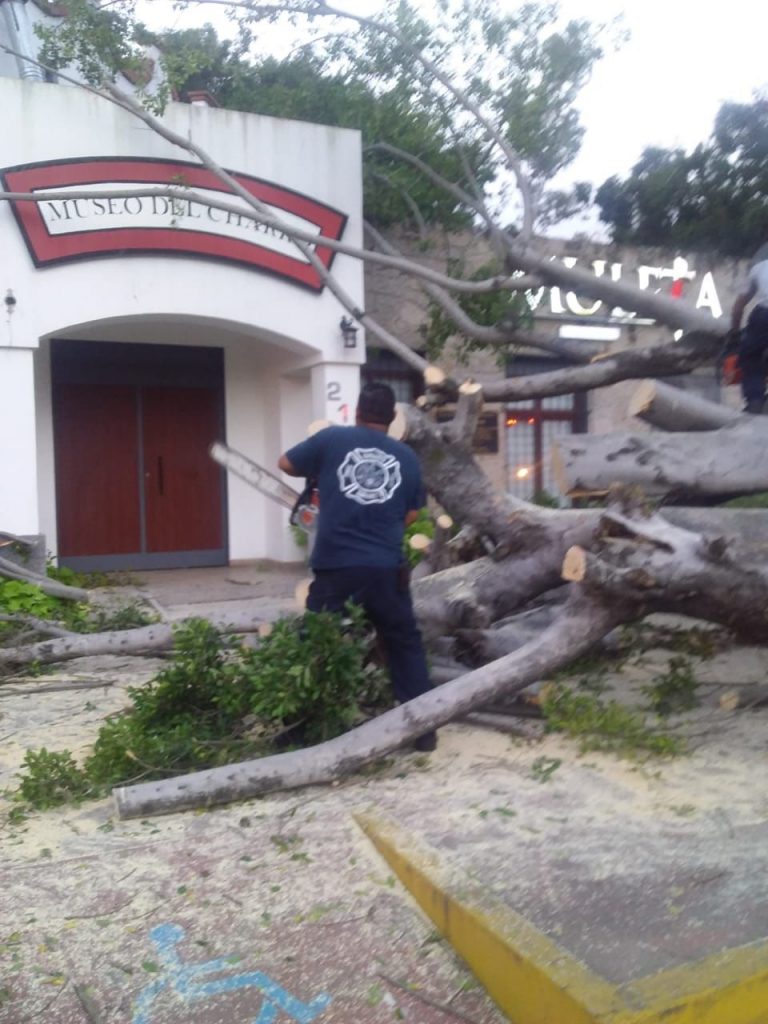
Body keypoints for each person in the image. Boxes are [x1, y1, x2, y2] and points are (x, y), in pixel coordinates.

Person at [278, 382, 437, 751]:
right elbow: (412, 515)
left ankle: (299, 728)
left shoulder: (331, 439)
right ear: (392, 418)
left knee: (315, 642)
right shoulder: (407, 457)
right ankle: (424, 731)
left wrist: (319, 473)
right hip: (386, 570)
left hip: (336, 567)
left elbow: (284, 462)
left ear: (356, 411)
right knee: (404, 644)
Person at [729, 243, 768, 413]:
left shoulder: (760, 267)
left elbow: (738, 307)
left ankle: (755, 400)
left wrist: (735, 333)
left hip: (764, 316)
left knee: (750, 358)